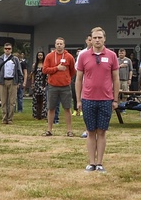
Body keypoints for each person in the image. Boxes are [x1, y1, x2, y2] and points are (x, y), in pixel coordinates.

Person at [75, 27, 120, 172]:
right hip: (88, 98)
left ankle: (100, 162)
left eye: (100, 37)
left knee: (101, 132)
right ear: (91, 39)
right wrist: (78, 100)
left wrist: (115, 99)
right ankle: (91, 162)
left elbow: (116, 78)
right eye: (95, 38)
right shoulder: (83, 56)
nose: (97, 40)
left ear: (104, 39)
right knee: (90, 131)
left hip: (106, 99)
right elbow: (79, 79)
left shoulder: (112, 56)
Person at [43, 37, 76, 137]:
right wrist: (56, 68)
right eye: (57, 44)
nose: (59, 45)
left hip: (65, 86)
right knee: (51, 108)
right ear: (55, 45)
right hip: (52, 86)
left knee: (67, 108)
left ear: (64, 45)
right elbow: (45, 70)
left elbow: (73, 71)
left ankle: (69, 130)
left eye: (61, 44)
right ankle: (49, 130)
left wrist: (66, 78)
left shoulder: (69, 57)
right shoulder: (49, 56)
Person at [0, 42, 23, 125]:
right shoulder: (0, 59)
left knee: (12, 101)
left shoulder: (15, 59)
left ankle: (10, 118)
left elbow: (19, 71)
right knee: (3, 101)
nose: (7, 50)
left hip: (13, 81)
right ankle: (4, 118)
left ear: (11, 50)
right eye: (6, 48)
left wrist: (19, 82)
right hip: (2, 81)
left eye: (9, 48)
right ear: (4, 49)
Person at [31, 51, 47, 120]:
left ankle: (43, 115)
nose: (40, 57)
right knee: (36, 99)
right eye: (39, 55)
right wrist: (32, 83)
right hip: (37, 83)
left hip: (43, 83)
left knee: (44, 99)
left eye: (41, 55)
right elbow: (33, 74)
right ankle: (36, 115)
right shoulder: (34, 65)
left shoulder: (45, 64)